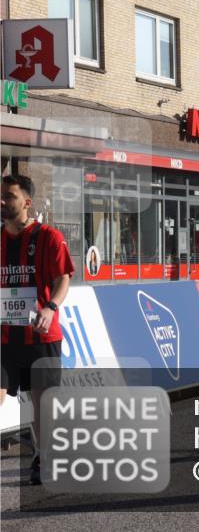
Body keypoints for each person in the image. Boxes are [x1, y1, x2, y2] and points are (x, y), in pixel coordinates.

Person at [1, 175, 74, 485]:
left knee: (43, 404)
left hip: (40, 336)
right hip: (4, 338)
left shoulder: (49, 237)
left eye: (9, 197)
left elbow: (63, 278)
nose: (2, 202)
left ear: (27, 202)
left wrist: (51, 307)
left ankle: (44, 456)